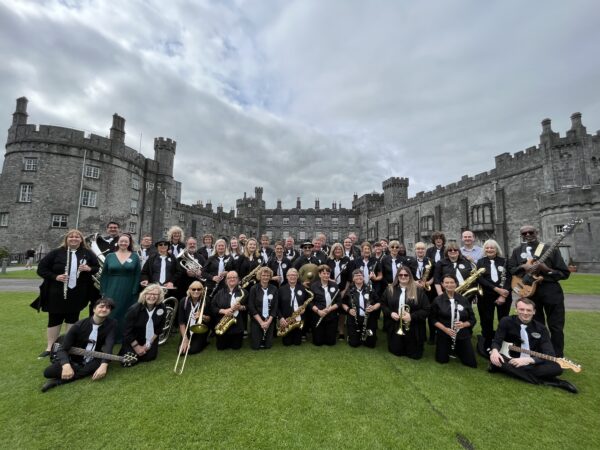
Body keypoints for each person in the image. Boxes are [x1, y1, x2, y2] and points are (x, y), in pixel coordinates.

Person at [489, 298, 577, 393]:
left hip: (531, 362)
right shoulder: (506, 321)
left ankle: (504, 369)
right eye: (522, 309)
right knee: (498, 359)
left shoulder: (541, 329)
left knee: (557, 368)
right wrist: (494, 351)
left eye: (529, 310)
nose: (525, 313)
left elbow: (549, 353)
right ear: (516, 309)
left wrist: (528, 360)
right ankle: (555, 382)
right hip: (509, 358)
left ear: (534, 312)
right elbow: (497, 340)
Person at [508, 225, 570, 357]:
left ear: (537, 233)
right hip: (530, 293)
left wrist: (546, 269)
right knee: (536, 325)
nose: (528, 235)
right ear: (522, 235)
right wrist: (523, 266)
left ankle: (557, 356)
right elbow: (511, 269)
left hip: (551, 290)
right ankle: (539, 354)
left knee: (556, 326)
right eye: (524, 233)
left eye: (531, 232)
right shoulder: (517, 251)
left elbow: (564, 273)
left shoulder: (549, 249)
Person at [36, 229, 99, 357]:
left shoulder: (87, 253)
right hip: (57, 292)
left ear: (81, 240)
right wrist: (55, 277)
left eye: (77, 237)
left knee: (72, 319)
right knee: (54, 319)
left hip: (78, 293)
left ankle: (68, 346)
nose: (74, 239)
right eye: (71, 237)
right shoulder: (56, 253)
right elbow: (41, 269)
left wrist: (89, 268)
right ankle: (50, 347)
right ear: (66, 239)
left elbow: (96, 267)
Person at [41, 298, 117, 392]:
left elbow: (109, 344)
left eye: (108, 308)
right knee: (48, 372)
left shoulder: (112, 324)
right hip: (74, 359)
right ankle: (78, 370)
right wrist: (66, 365)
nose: (104, 309)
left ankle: (57, 382)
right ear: (94, 309)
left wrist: (104, 365)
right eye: (101, 306)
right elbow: (62, 349)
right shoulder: (79, 325)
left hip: (94, 357)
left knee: (97, 364)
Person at [381, 266, 430, 359]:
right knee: (396, 351)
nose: (403, 277)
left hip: (413, 326)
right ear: (397, 276)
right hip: (395, 324)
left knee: (414, 355)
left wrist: (412, 316)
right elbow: (383, 304)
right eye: (400, 275)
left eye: (406, 275)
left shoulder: (418, 290)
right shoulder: (390, 289)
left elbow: (426, 309)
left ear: (410, 276)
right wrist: (390, 313)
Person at [100, 233, 141, 341]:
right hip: (111, 288)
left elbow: (137, 275)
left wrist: (135, 290)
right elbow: (104, 274)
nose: (123, 243)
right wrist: (103, 291)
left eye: (126, 241)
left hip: (129, 289)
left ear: (129, 243)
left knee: (126, 313)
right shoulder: (110, 256)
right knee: (111, 312)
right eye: (121, 241)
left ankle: (124, 337)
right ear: (118, 242)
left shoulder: (135, 256)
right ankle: (109, 336)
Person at [431, 274, 477, 367]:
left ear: (456, 284)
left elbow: (472, 319)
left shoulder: (464, 300)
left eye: (452, 282)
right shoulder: (437, 300)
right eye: (446, 283)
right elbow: (432, 319)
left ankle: (458, 349)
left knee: (471, 363)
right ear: (442, 284)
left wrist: (463, 324)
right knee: (442, 360)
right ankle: (451, 348)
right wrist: (445, 329)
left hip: (461, 333)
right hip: (444, 333)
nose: (449, 285)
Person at [476, 239, 512, 354]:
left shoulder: (505, 261)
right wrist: (495, 289)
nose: (489, 250)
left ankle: (502, 345)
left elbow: (510, 278)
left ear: (497, 249)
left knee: (503, 320)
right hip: (486, 296)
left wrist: (503, 295)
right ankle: (487, 344)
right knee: (487, 320)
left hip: (504, 296)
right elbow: (480, 279)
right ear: (484, 250)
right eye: (487, 248)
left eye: (492, 248)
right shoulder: (480, 262)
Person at [120, 284, 166, 364]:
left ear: (159, 296)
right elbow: (126, 331)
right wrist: (137, 347)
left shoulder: (162, 308)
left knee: (149, 357)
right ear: (144, 295)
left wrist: (148, 343)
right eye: (149, 293)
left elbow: (159, 328)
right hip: (134, 338)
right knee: (130, 360)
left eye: (155, 294)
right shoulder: (134, 310)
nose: (152, 296)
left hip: (150, 338)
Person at [342, 269, 380, 348]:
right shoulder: (349, 290)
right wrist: (349, 310)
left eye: (361, 275)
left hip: (369, 319)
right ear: (353, 278)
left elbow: (379, 302)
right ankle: (353, 335)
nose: (359, 277)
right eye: (356, 275)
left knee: (371, 345)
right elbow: (343, 303)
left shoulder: (370, 289)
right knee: (354, 344)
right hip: (354, 319)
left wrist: (373, 307)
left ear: (363, 277)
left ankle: (367, 336)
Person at [211, 271, 247, 350]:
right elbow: (213, 307)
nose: (232, 279)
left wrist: (241, 307)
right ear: (226, 280)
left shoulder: (243, 292)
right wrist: (223, 311)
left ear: (238, 280)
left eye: (234, 277)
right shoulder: (219, 293)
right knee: (221, 347)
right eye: (229, 277)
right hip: (223, 324)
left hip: (237, 326)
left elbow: (249, 307)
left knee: (236, 347)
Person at [247, 267, 278, 350]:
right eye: (263, 275)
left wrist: (268, 322)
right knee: (255, 346)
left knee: (268, 346)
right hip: (257, 319)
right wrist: (261, 322)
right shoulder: (254, 288)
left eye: (268, 275)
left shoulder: (274, 289)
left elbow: (275, 307)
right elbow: (251, 306)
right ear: (260, 276)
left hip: (269, 320)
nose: (266, 277)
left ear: (270, 277)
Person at [277, 268, 309, 346]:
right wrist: (281, 318)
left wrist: (304, 309)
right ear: (287, 277)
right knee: (287, 343)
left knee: (297, 343)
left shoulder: (302, 288)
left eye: (294, 275)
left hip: (298, 318)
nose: (292, 277)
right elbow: (277, 306)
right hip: (286, 320)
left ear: (297, 277)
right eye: (290, 275)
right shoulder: (281, 289)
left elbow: (307, 303)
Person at [178, 281, 211, 355]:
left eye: (199, 289)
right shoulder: (184, 301)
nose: (196, 291)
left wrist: (202, 316)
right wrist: (185, 339)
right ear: (189, 290)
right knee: (181, 352)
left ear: (202, 291)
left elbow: (209, 319)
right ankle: (190, 340)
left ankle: (205, 341)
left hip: (201, 329)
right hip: (188, 329)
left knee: (192, 350)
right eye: (193, 289)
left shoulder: (206, 300)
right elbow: (181, 322)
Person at [310, 265, 340, 346]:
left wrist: (330, 309)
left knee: (330, 343)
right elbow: (310, 302)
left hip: (331, 315)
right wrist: (318, 311)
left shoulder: (334, 285)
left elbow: (339, 302)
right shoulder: (313, 286)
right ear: (319, 274)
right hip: (318, 315)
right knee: (318, 342)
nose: (326, 275)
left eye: (328, 273)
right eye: (324, 273)